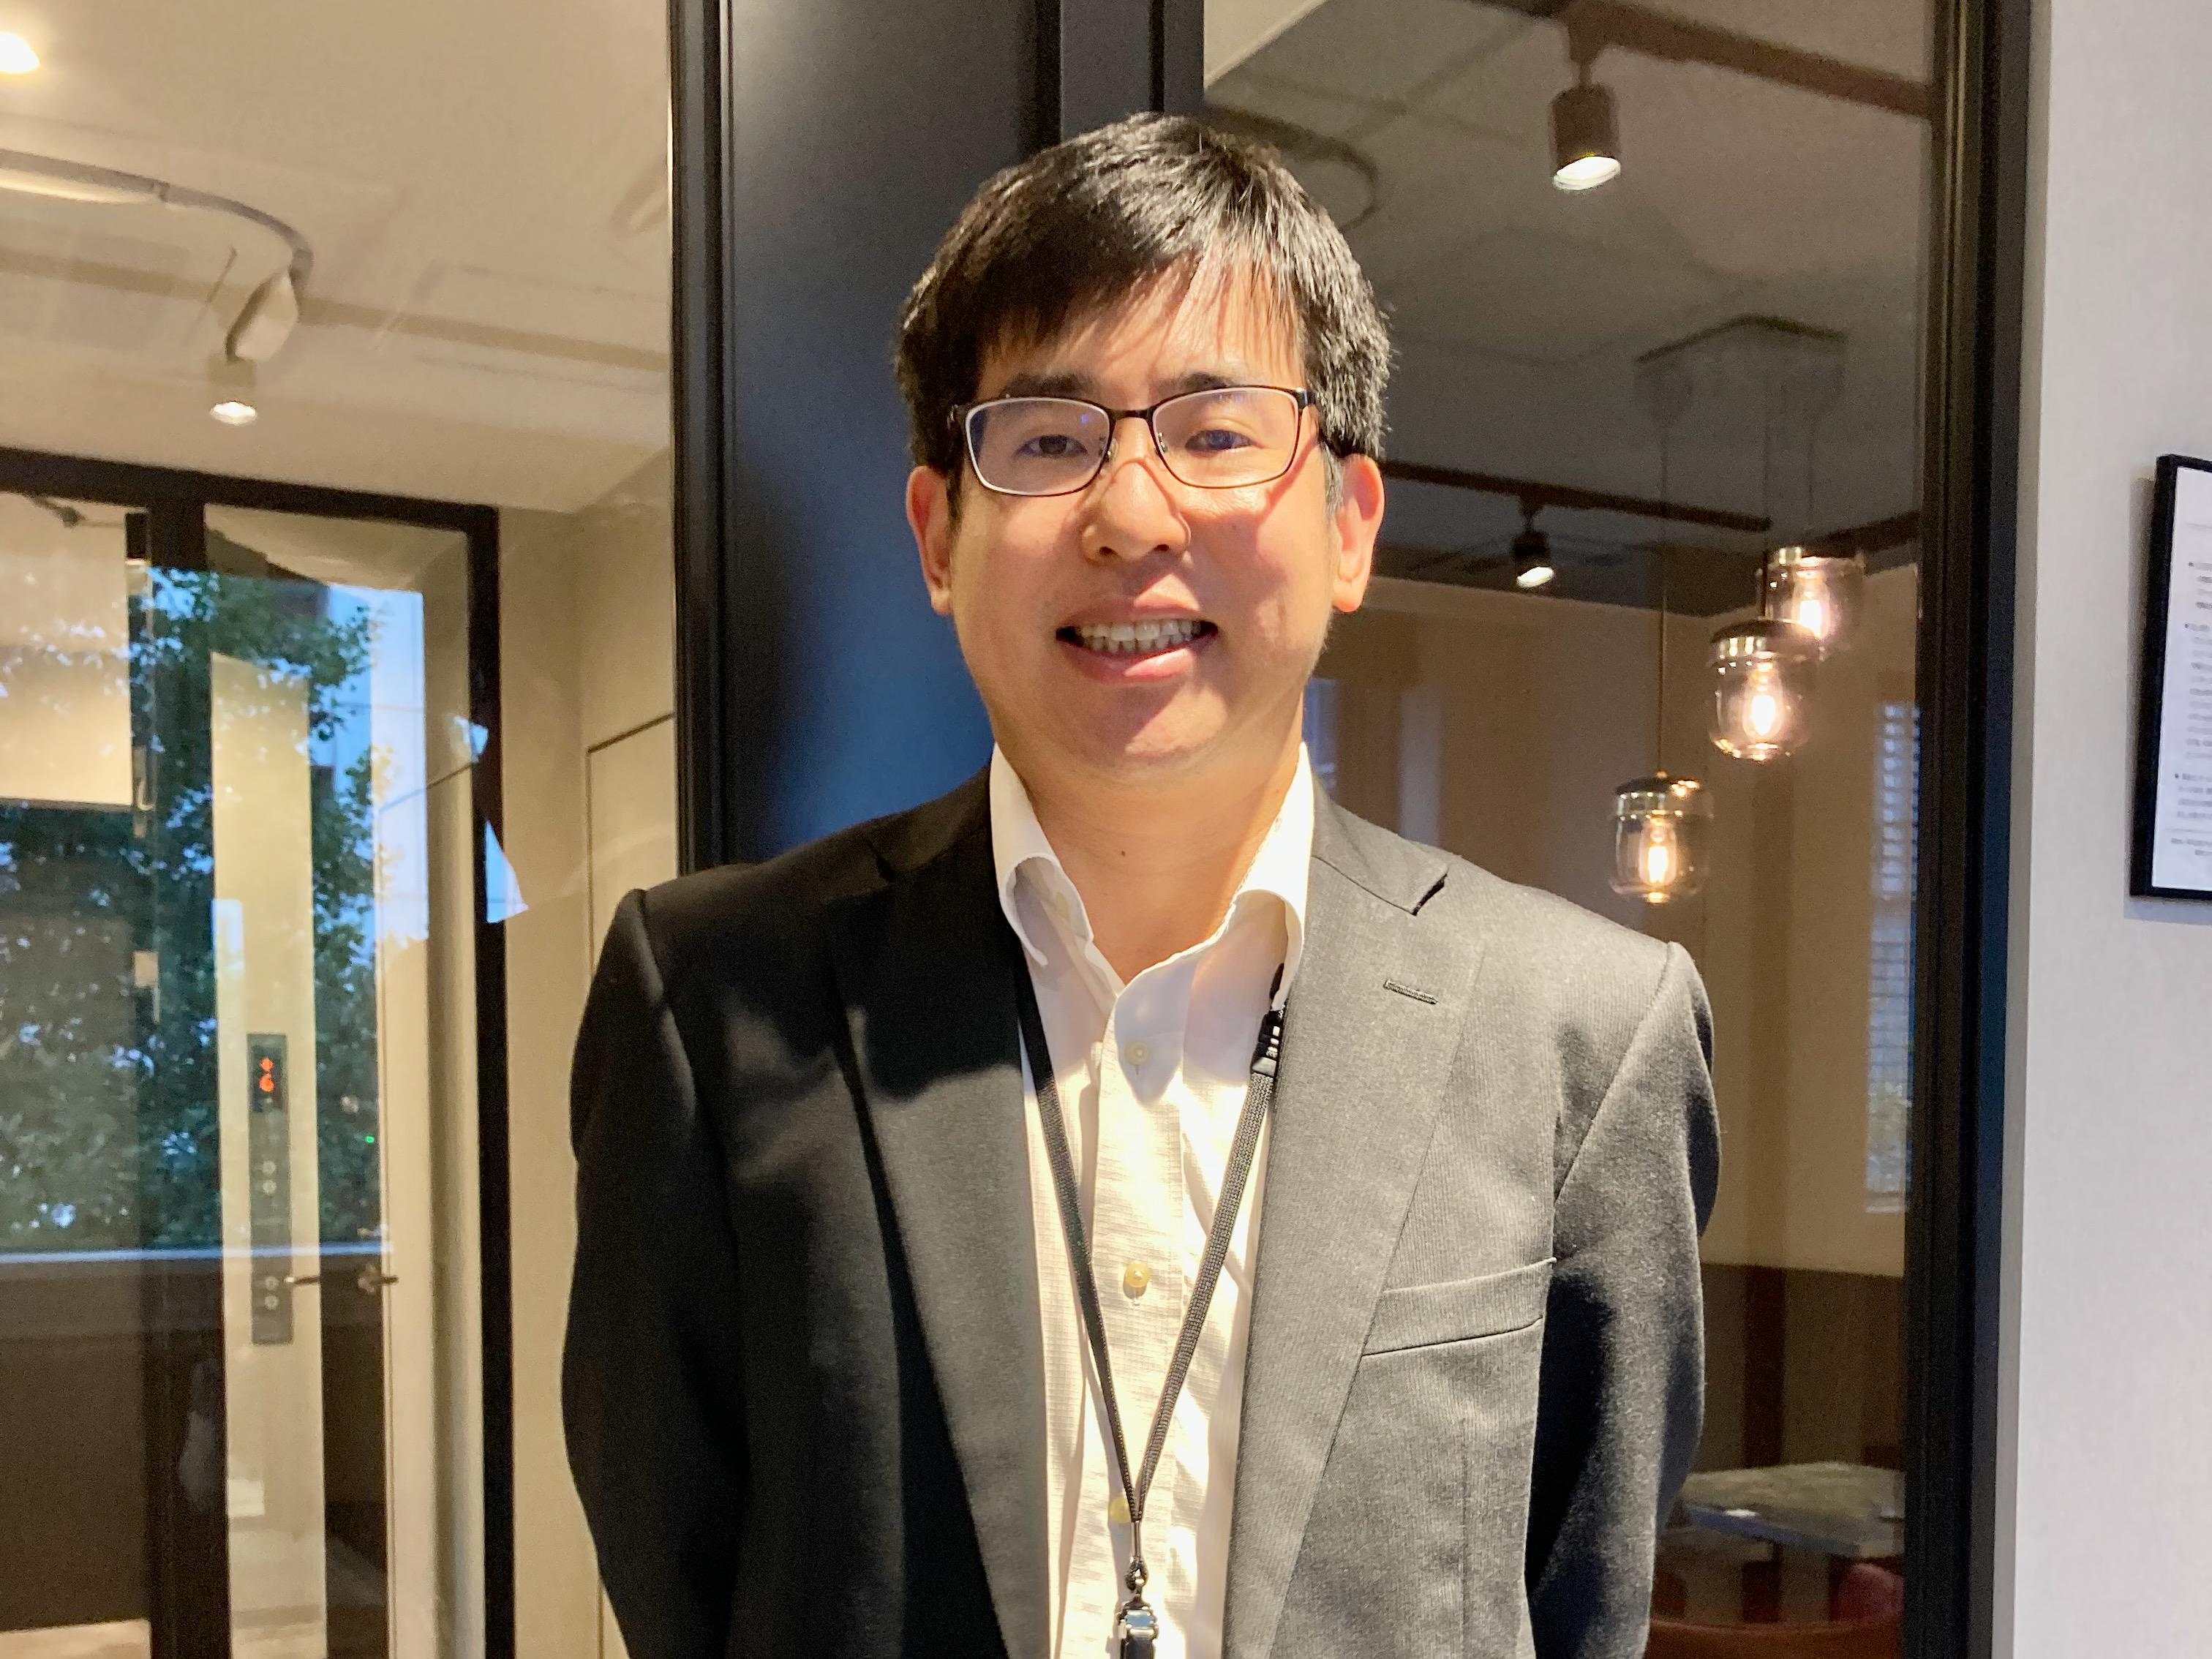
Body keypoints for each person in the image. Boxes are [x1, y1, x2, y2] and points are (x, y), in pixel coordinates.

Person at [564, 113, 1719, 1659]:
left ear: (1350, 526)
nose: (1131, 514)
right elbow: (681, 1576)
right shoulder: (716, 1006)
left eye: (1218, 430)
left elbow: (1584, 1600)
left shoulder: (1586, 1038)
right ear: (938, 535)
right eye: (1047, 440)